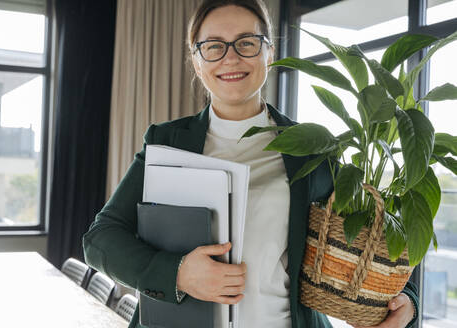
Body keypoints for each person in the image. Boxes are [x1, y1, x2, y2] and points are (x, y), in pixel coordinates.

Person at [82, 1, 418, 327]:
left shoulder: (311, 147)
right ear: (197, 61)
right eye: (214, 46)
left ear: (269, 53)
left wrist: (410, 303)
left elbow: (376, 232)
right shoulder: (165, 140)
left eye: (247, 43)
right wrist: (179, 273)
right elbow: (100, 239)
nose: (231, 57)